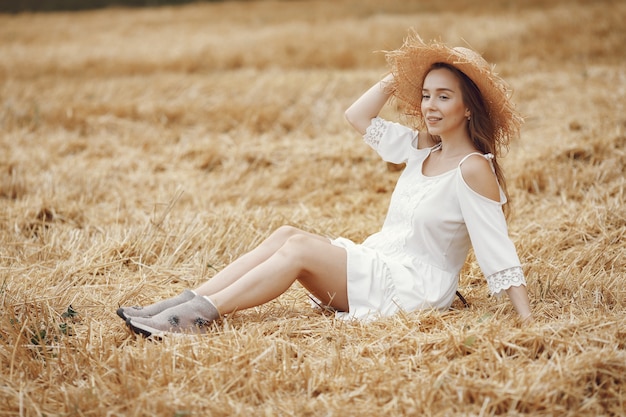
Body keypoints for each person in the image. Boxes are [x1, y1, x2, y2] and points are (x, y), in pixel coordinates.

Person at [117, 32, 532, 338]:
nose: (429, 106)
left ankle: (195, 319)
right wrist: (398, 79)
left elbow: (498, 249)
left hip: (413, 287)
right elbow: (358, 117)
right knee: (286, 233)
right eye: (425, 96)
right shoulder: (423, 149)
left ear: (468, 107)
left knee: (299, 249)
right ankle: (179, 305)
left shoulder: (474, 168)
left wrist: (529, 324)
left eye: (444, 97)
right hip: (382, 263)